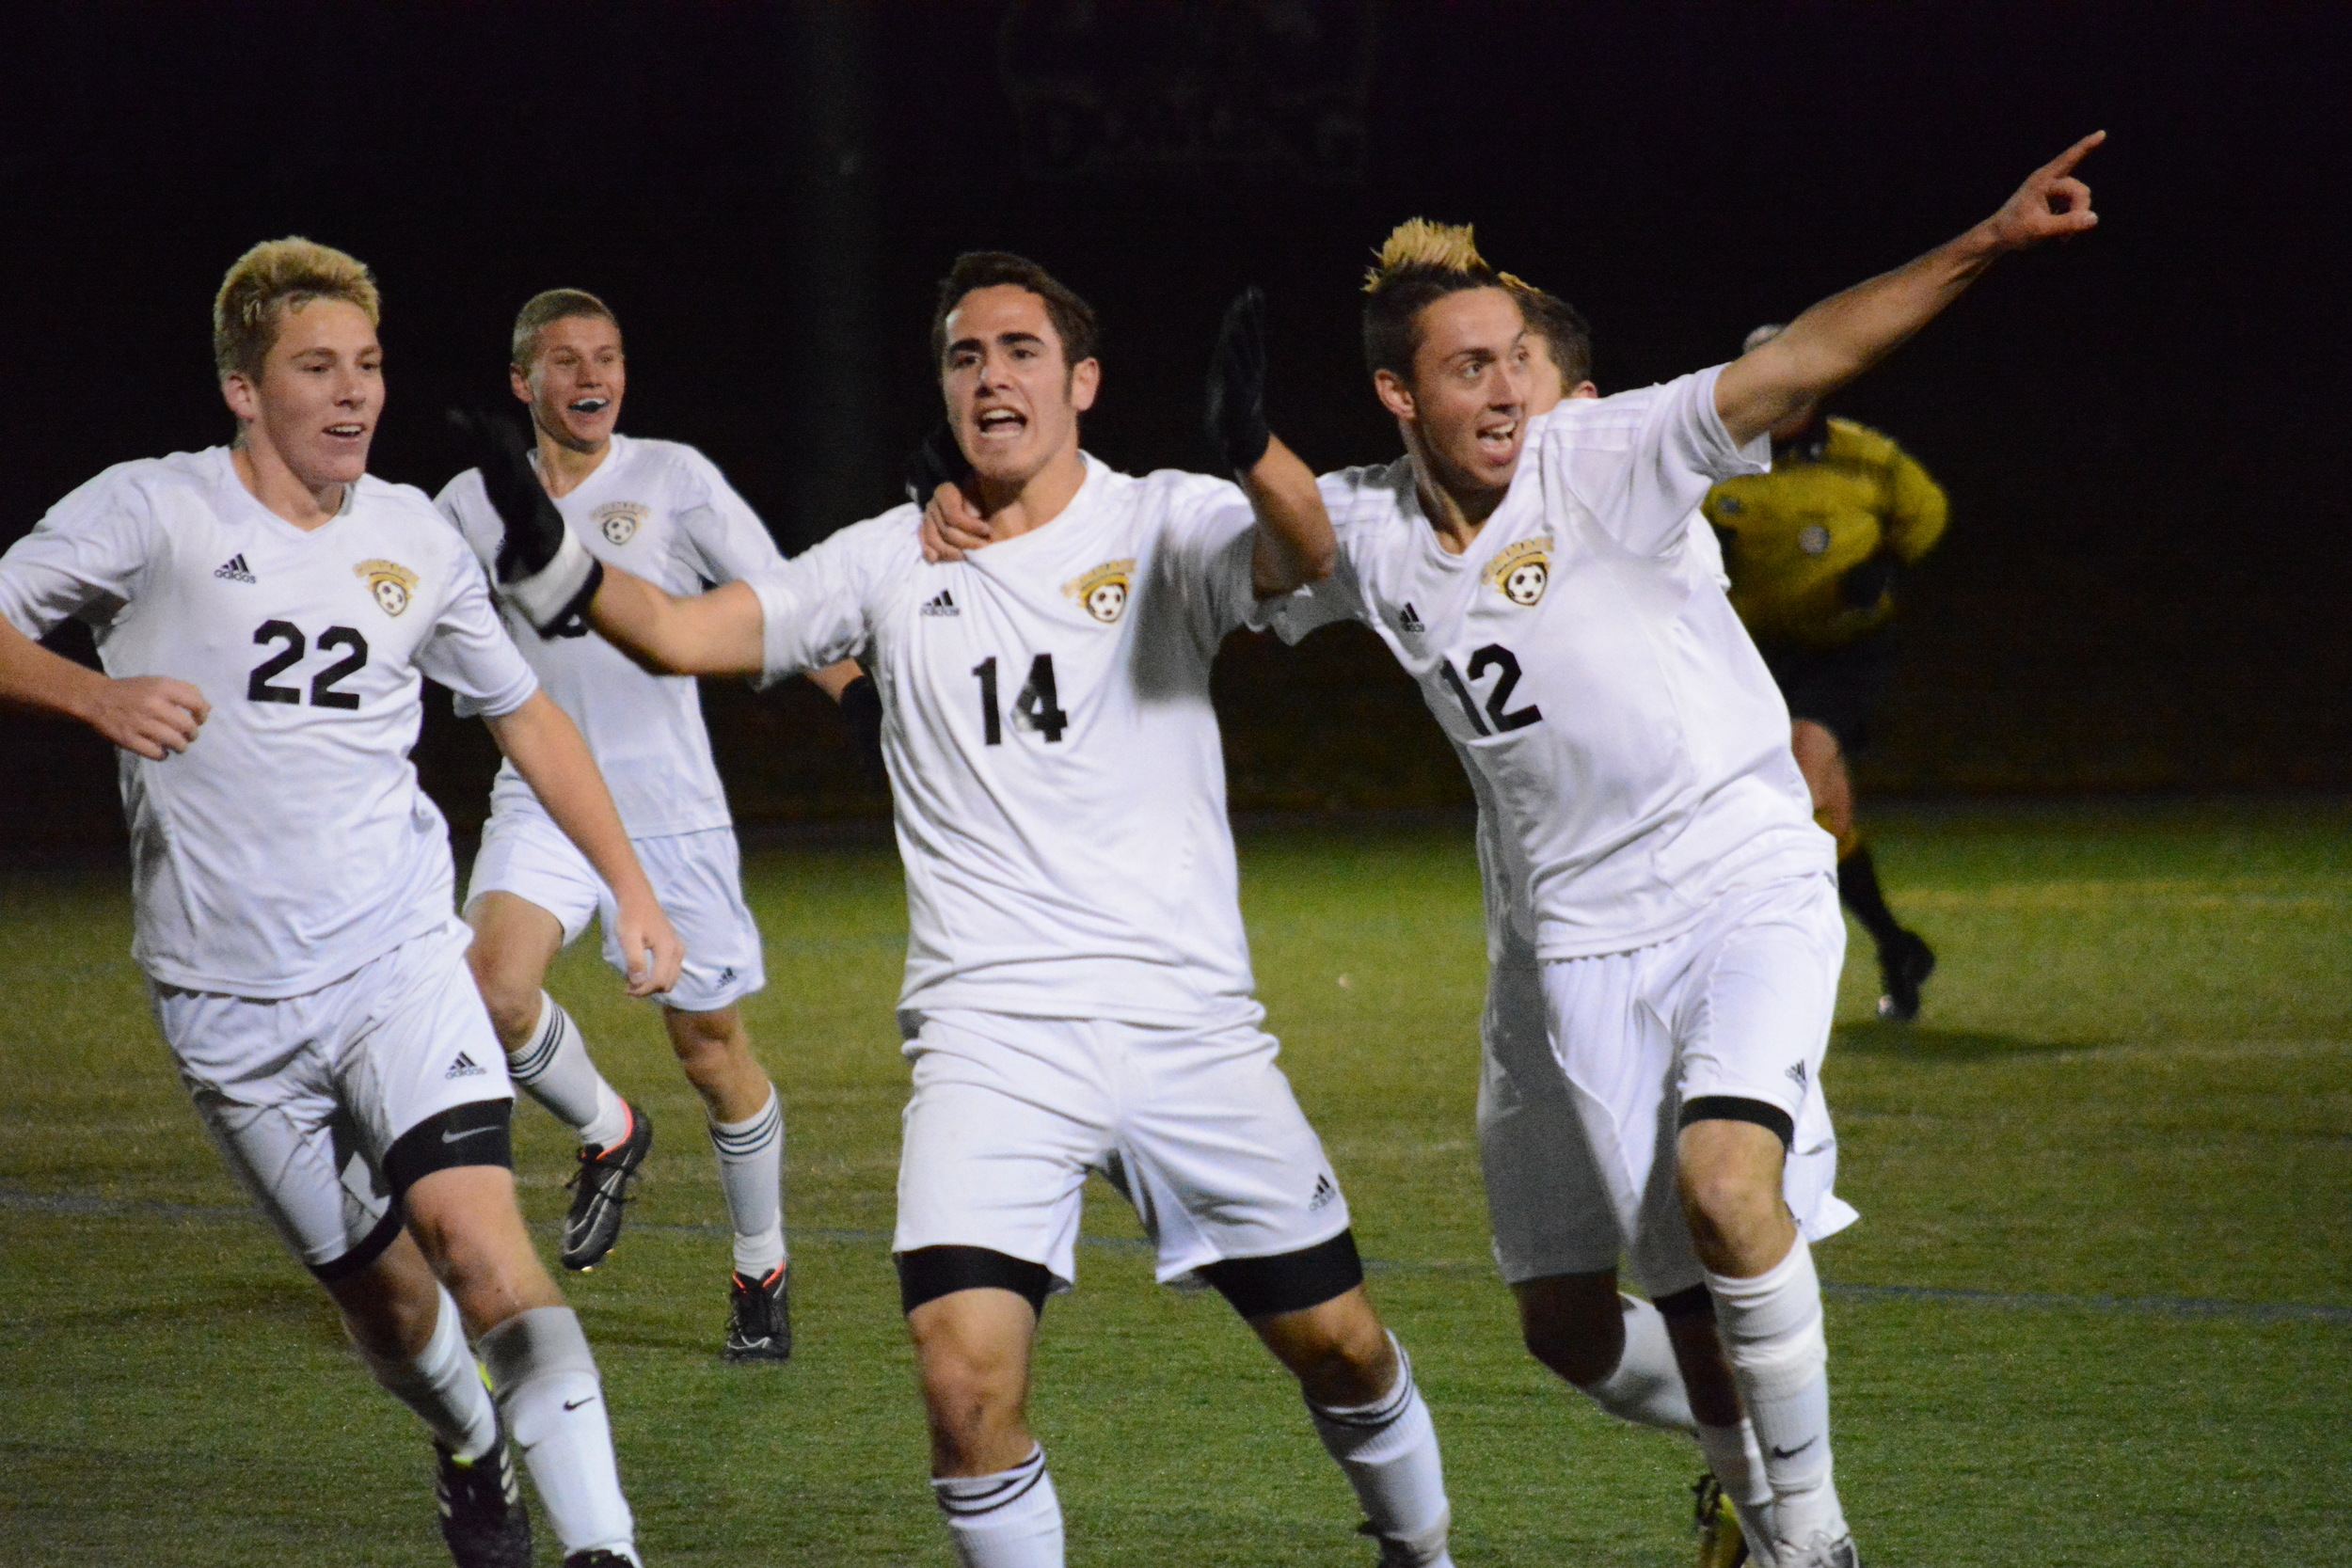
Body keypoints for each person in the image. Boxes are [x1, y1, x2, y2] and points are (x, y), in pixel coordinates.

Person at [468, 251, 1458, 1568]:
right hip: (988, 1037)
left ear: (1083, 381)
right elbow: (685, 630)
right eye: (965, 355)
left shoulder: (1160, 519)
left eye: (1021, 349)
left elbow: (1299, 553)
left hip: (1185, 1025)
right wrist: (560, 568)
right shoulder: (888, 555)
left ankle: (1420, 1548)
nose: (992, 374)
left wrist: (1252, 447)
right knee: (961, 1377)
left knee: (1339, 1342)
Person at [1255, 137, 2103, 1568]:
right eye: (1469, 366)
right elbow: (1205, 553)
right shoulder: (1375, 526)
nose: (1509, 385)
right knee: (1579, 1324)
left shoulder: (1602, 450)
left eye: (1517, 354)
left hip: (1736, 881)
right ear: (1400, 394)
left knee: (1726, 1194)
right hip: (1565, 942)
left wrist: (1989, 240)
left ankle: (1808, 1534)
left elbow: (1800, 360)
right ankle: (1748, 1492)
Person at [0, 238, 682, 1568]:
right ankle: (474, 1445)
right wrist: (95, 695)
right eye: (317, 366)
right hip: (226, 1003)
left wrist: (634, 887)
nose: (354, 391)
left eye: (366, 363)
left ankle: (606, 1544)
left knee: (479, 1244)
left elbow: (526, 711)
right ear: (244, 389)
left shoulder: (412, 536)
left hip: (394, 962)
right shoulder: (151, 512)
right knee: (388, 1304)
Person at [439, 289, 866, 1359]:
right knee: (491, 989)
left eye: (610, 356)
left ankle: (759, 1262)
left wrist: (862, 699)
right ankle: (605, 1127)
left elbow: (782, 600)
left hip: (668, 811)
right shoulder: (465, 503)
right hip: (541, 794)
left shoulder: (673, 477)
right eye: (567, 359)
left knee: (711, 1048)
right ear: (520, 383)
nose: (592, 376)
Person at [1702, 328, 1947, 1022]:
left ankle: (1779, 979)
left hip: (1845, 654)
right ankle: (1897, 947)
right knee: (1827, 818)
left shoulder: (1865, 459)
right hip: (1758, 660)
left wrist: (1885, 568)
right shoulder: (1717, 468)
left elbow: (1925, 517)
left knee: (1801, 776)